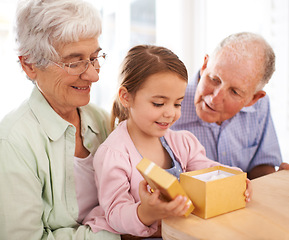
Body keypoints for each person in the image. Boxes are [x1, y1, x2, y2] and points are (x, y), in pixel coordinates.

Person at [83, 45, 252, 239]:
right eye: (158, 103)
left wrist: (234, 178)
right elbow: (115, 213)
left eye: (177, 103)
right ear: (126, 97)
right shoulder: (114, 154)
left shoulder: (183, 142)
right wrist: (146, 212)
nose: (170, 113)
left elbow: (207, 171)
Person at [0, 0, 120, 239]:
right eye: (74, 62)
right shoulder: (12, 142)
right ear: (30, 64)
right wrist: (117, 233)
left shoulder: (101, 119)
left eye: (95, 58)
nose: (93, 75)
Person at [171, 32, 289, 179]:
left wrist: (273, 179)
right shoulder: (166, 105)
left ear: (253, 98)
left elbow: (261, 166)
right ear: (204, 65)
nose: (215, 99)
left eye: (234, 92)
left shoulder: (260, 107)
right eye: (214, 79)